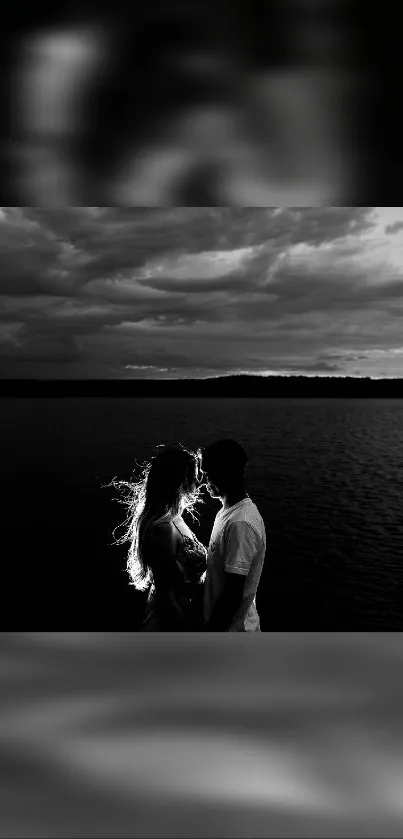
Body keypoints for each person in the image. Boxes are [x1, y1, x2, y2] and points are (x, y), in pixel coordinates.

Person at [112, 445, 207, 631]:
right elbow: (166, 595)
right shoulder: (162, 529)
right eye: (194, 477)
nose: (199, 483)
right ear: (179, 482)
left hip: (185, 613)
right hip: (170, 621)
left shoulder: (175, 519)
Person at [200, 439, 266, 631]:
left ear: (224, 474)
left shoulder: (241, 523)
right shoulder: (228, 512)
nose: (204, 482)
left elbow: (232, 594)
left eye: (208, 474)